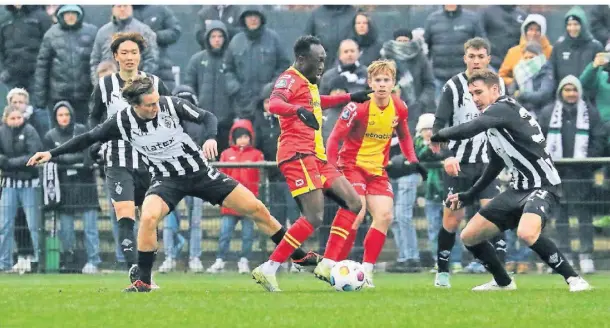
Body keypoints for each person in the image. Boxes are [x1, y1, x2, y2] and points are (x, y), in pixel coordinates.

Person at [28, 76, 319, 292]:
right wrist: (51, 153)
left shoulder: (169, 104)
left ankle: (299, 255)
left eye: (156, 100)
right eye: (150, 104)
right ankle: (143, 280)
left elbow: (208, 117)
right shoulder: (120, 122)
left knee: (256, 209)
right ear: (135, 105)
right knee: (149, 217)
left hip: (200, 173)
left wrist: (209, 137)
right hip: (167, 180)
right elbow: (87, 138)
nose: (156, 105)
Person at [431, 69, 592, 292]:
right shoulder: (494, 119)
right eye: (472, 95)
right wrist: (470, 195)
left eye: (479, 92)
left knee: (526, 233)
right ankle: (503, 282)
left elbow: (471, 127)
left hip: (543, 185)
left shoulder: (503, 107)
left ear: (495, 89)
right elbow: (495, 164)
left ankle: (575, 279)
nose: (475, 99)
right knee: (469, 236)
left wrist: (439, 134)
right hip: (518, 189)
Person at [251, 35, 372, 292]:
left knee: (353, 202)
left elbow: (319, 103)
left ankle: (327, 263)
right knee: (314, 216)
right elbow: (274, 103)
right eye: (318, 61)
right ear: (302, 59)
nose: (322, 66)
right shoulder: (289, 78)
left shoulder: (310, 83)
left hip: (316, 157)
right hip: (297, 154)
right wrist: (297, 111)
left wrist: (351, 96)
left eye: (324, 61)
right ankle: (269, 268)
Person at [325, 60, 420, 286]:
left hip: (377, 170)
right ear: (369, 82)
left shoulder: (399, 107)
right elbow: (334, 137)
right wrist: (330, 166)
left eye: (386, 80)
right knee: (357, 215)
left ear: (393, 83)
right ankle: (335, 266)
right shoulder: (357, 106)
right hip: (351, 166)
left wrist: (412, 160)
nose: (382, 84)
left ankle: (366, 272)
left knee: (385, 216)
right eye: (377, 80)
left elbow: (405, 135)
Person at [88, 32, 171, 282]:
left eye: (133, 52)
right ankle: (135, 272)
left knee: (149, 217)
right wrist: (95, 141)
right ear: (115, 56)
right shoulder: (104, 86)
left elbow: (169, 114)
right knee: (124, 213)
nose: (129, 57)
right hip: (117, 156)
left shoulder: (155, 83)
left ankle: (146, 271)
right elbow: (93, 116)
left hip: (150, 158)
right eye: (123, 53)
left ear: (140, 55)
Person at [431, 37, 507, 288]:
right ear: (465, 58)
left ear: (489, 59)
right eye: (471, 56)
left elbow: (507, 122)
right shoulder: (452, 87)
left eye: (481, 56)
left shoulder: (498, 86)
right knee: (452, 219)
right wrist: (447, 156)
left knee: (494, 216)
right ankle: (442, 271)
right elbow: (438, 128)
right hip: (459, 165)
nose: (476, 61)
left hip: (488, 163)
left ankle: (500, 276)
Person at [538, 75, 605, 274]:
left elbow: (599, 139)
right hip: (556, 174)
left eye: (574, 90)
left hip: (581, 173)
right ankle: (562, 255)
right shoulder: (548, 113)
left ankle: (586, 255)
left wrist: (586, 163)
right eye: (567, 90)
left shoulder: (590, 113)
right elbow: (538, 138)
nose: (571, 94)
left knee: (584, 214)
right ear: (561, 92)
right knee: (560, 216)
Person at [43, 101, 101, 274]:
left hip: (85, 185)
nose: (64, 118)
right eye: (60, 115)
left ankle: (94, 260)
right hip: (64, 189)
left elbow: (87, 154)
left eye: (67, 114)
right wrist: (71, 158)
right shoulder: (49, 136)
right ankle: (70, 260)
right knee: (66, 230)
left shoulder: (81, 130)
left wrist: (65, 157)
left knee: (90, 228)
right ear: (55, 117)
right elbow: (50, 159)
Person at [208, 119, 263, 274]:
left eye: (246, 137)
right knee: (225, 234)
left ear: (250, 137)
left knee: (247, 235)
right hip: (230, 203)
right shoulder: (226, 154)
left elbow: (260, 179)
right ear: (234, 137)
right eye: (240, 137)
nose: (243, 140)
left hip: (248, 203)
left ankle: (244, 261)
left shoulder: (257, 155)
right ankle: (220, 260)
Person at [412, 113, 464, 273]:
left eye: (431, 128)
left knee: (452, 226)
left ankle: (455, 261)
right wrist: (429, 146)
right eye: (425, 129)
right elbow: (420, 156)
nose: (428, 132)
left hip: (449, 191)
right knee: (434, 228)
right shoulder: (418, 144)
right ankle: (439, 261)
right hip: (431, 193)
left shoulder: (447, 144)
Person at [32, 5, 98, 125]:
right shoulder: (51, 34)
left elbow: (97, 62)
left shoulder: (92, 32)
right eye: (67, 13)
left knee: (84, 132)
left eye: (74, 13)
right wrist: (40, 98)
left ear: (79, 15)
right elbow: (42, 67)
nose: (70, 16)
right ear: (61, 15)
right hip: (59, 96)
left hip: (85, 95)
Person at [223, 6, 291, 121]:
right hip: (242, 105)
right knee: (244, 138)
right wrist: (236, 89)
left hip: (268, 104)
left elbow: (284, 66)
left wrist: (272, 87)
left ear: (261, 18)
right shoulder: (236, 41)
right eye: (249, 16)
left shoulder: (273, 39)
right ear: (243, 19)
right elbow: (227, 69)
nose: (253, 19)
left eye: (256, 16)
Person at [0, 106, 43, 273]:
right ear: (6, 119)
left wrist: (9, 163)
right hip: (9, 184)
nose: (16, 121)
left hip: (29, 184)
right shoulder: (2, 132)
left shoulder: (30, 130)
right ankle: (4, 263)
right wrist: (6, 161)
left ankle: (37, 262)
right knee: (4, 225)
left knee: (34, 225)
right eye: (13, 118)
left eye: (19, 117)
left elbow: (33, 155)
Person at [185, 20, 234, 154]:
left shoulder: (232, 58)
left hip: (226, 121)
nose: (217, 40)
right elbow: (189, 89)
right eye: (213, 36)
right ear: (207, 38)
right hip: (203, 122)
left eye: (220, 36)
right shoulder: (197, 60)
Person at [89, 5, 158, 84]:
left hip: (135, 86)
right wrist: (98, 85)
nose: (122, 9)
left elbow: (151, 59)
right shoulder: (103, 32)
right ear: (113, 9)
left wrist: (141, 84)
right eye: (119, 6)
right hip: (109, 86)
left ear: (131, 8)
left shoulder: (144, 31)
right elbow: (95, 60)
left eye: (125, 6)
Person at [548, 6, 604, 87]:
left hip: (588, 96)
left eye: (576, 24)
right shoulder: (559, 46)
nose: (572, 28)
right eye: (569, 24)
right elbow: (552, 72)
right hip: (564, 96)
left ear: (583, 25)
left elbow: (600, 74)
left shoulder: (595, 46)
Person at [0, 5, 53, 90]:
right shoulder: (4, 19)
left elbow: (51, 47)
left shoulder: (42, 17)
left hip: (36, 77)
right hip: (11, 77)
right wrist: (4, 71)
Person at [132, 5, 181, 91]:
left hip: (161, 68)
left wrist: (154, 36)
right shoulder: (123, 12)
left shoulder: (160, 9)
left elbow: (175, 31)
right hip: (133, 69)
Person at [499, 14, 553, 87]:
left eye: (537, 30)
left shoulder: (551, 51)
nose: (533, 33)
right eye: (530, 29)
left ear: (542, 31)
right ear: (525, 31)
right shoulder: (513, 52)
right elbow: (501, 76)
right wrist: (517, 82)